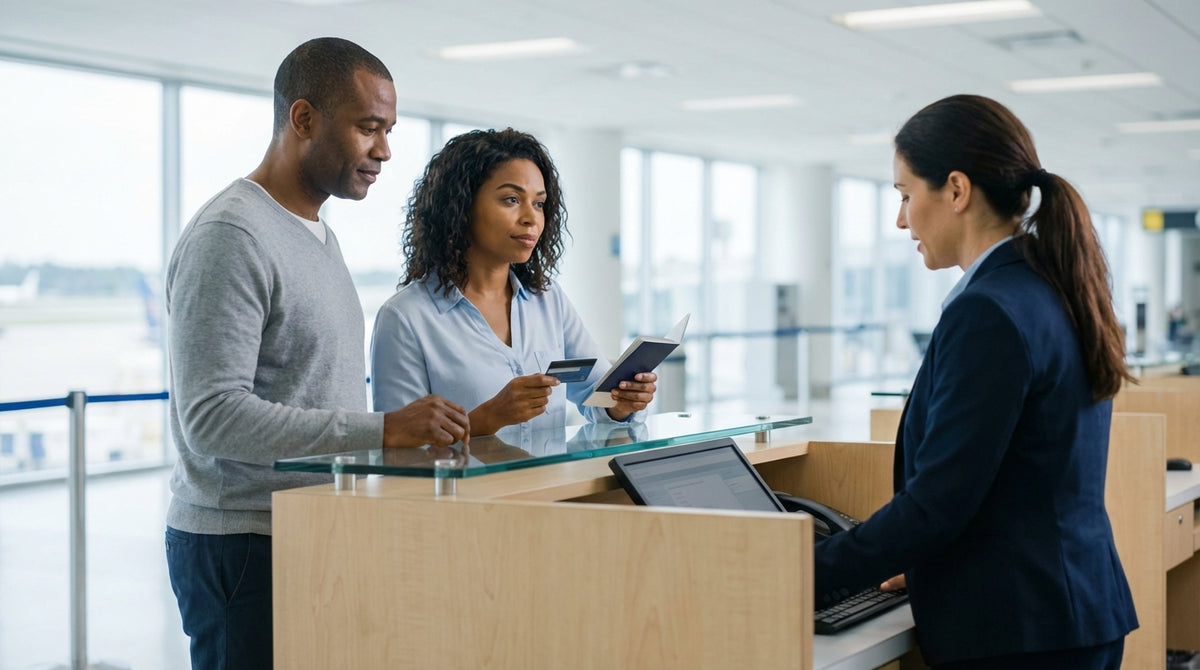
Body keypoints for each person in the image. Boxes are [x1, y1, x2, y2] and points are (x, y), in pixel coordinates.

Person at [164, 37, 470, 669]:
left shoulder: (317, 234)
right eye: (368, 128)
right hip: (243, 544)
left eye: (388, 130)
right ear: (303, 119)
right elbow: (212, 416)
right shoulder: (232, 234)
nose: (384, 150)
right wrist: (383, 430)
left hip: (311, 530)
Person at [814, 94, 1137, 669]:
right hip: (1062, 609)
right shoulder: (1052, 287)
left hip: (1018, 627)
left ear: (957, 190)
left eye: (906, 195)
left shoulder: (988, 311)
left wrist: (805, 572)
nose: (900, 219)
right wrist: (923, 564)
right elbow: (1018, 473)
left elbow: (940, 501)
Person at [370, 128, 656, 447]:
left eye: (539, 204)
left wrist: (622, 404)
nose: (530, 219)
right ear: (461, 206)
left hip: (546, 493)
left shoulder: (548, 301)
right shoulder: (405, 318)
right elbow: (397, 451)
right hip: (468, 497)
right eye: (511, 200)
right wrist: (488, 418)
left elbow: (596, 396)